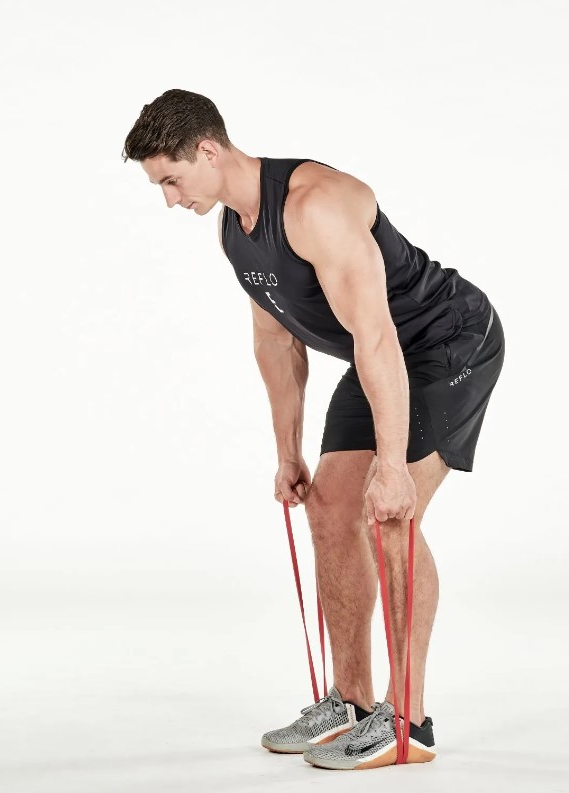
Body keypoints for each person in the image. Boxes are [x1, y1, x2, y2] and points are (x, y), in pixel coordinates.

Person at [122, 89, 505, 771]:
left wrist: (391, 465)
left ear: (207, 151)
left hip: (446, 344)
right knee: (330, 506)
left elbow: (379, 334)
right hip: (378, 354)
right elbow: (277, 343)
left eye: (172, 180)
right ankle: (352, 703)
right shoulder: (235, 231)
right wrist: (286, 452)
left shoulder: (315, 206)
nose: (170, 200)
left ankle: (408, 720)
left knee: (387, 514)